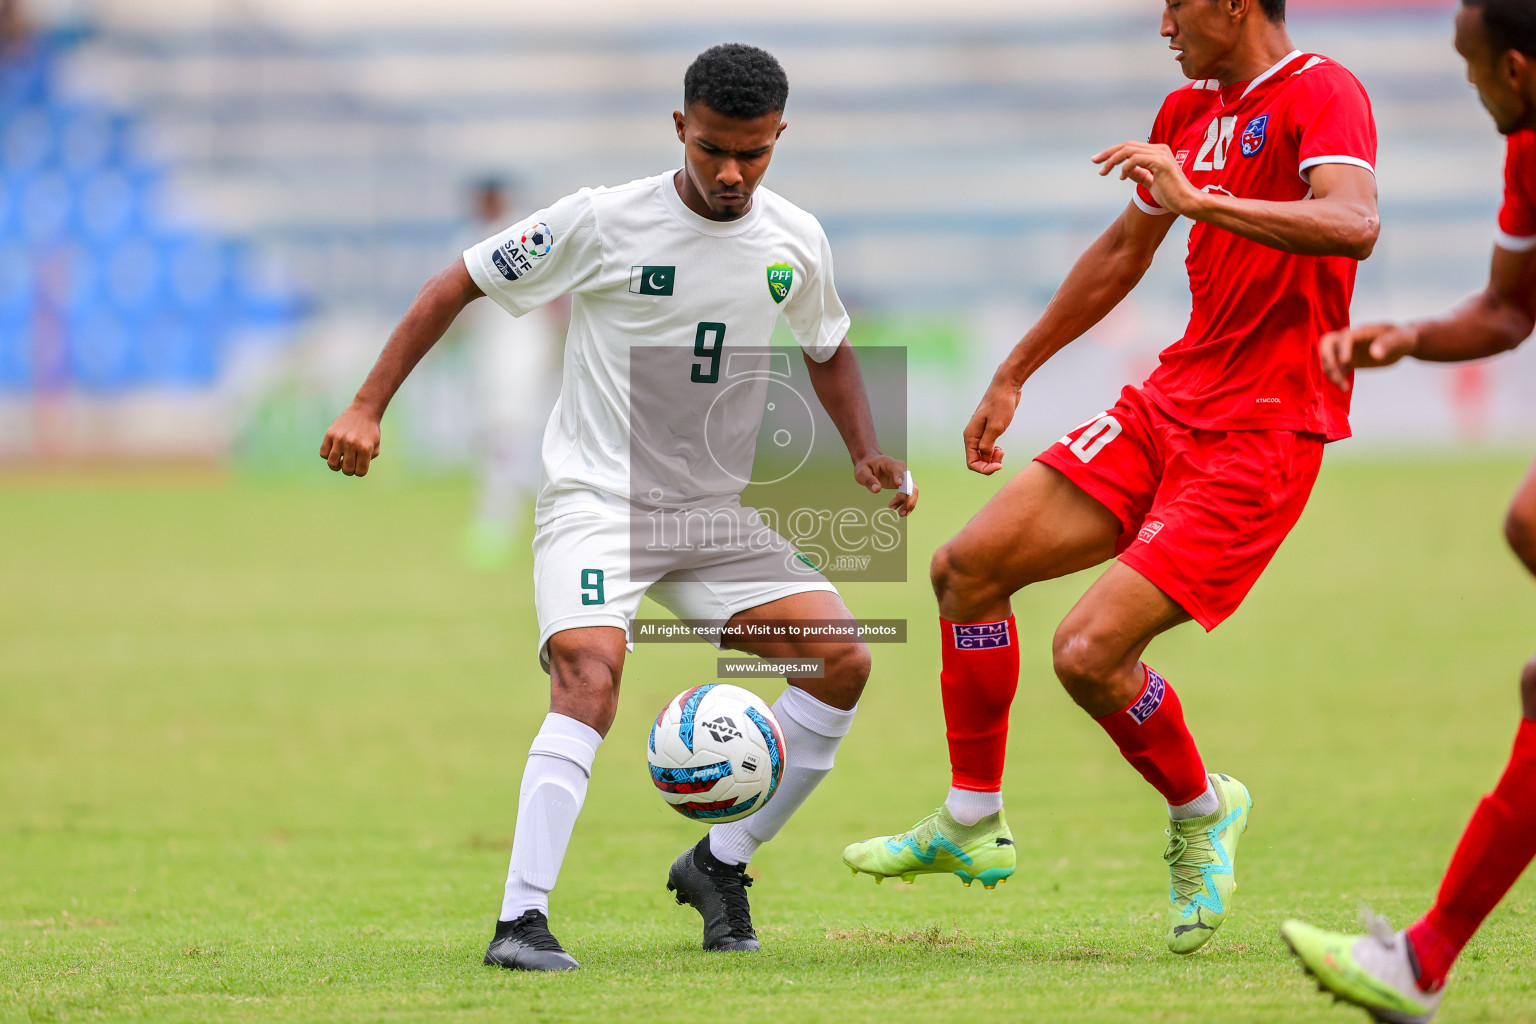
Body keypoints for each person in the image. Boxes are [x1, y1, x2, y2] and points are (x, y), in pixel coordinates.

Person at [319, 43, 916, 971]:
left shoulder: (796, 239)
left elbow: (829, 344)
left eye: (752, 153)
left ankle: (723, 863)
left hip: (713, 515)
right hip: (599, 502)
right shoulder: (601, 220)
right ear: (679, 126)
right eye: (712, 147)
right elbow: (458, 282)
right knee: (590, 677)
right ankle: (521, 921)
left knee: (841, 659)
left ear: (778, 138)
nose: (729, 172)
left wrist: (868, 452)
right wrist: (366, 405)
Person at [842, 0, 1379, 956]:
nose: (1164, 23)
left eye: (1177, 4)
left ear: (1236, 5)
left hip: (1262, 434)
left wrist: (1201, 200)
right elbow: (1125, 251)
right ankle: (972, 820)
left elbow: (1352, 222)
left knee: (1087, 655)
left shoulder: (1322, 93)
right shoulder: (1187, 116)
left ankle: (1202, 809)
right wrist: (1015, 370)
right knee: (968, 566)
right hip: (1170, 404)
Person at [1281, 1, 1536, 1019]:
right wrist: (1408, 338)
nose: (1469, 88)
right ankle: (1419, 964)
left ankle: (1418, 966)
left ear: (1516, 68)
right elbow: (1512, 307)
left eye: (1473, 71)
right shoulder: (1528, 154)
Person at [456, 177, 562, 569]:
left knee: (509, 435)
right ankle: (514, 516)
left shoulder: (525, 234)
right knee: (502, 436)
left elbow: (555, 293)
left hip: (523, 353)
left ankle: (498, 521)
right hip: (491, 354)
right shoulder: (472, 238)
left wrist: (557, 339)